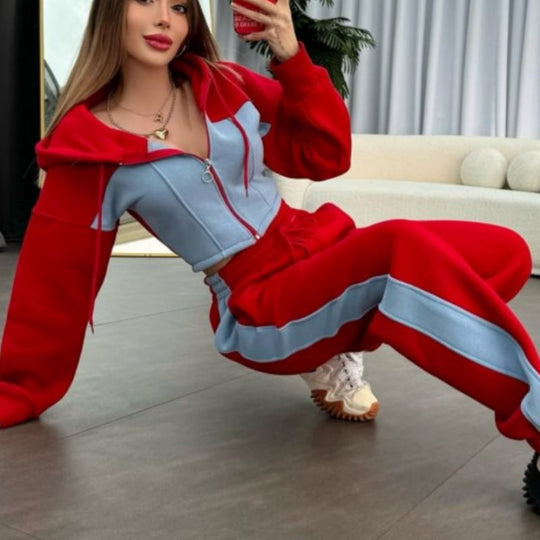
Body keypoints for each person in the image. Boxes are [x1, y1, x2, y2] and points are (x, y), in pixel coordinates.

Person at [0, 0, 538, 513]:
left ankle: (341, 334)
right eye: (145, 2)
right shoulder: (90, 149)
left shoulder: (223, 84)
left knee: (506, 253)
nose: (164, 19)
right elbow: (52, 289)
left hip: (317, 245)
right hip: (262, 304)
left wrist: (292, 58)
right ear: (110, 10)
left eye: (180, 7)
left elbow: (325, 155)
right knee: (400, 247)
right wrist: (19, 389)